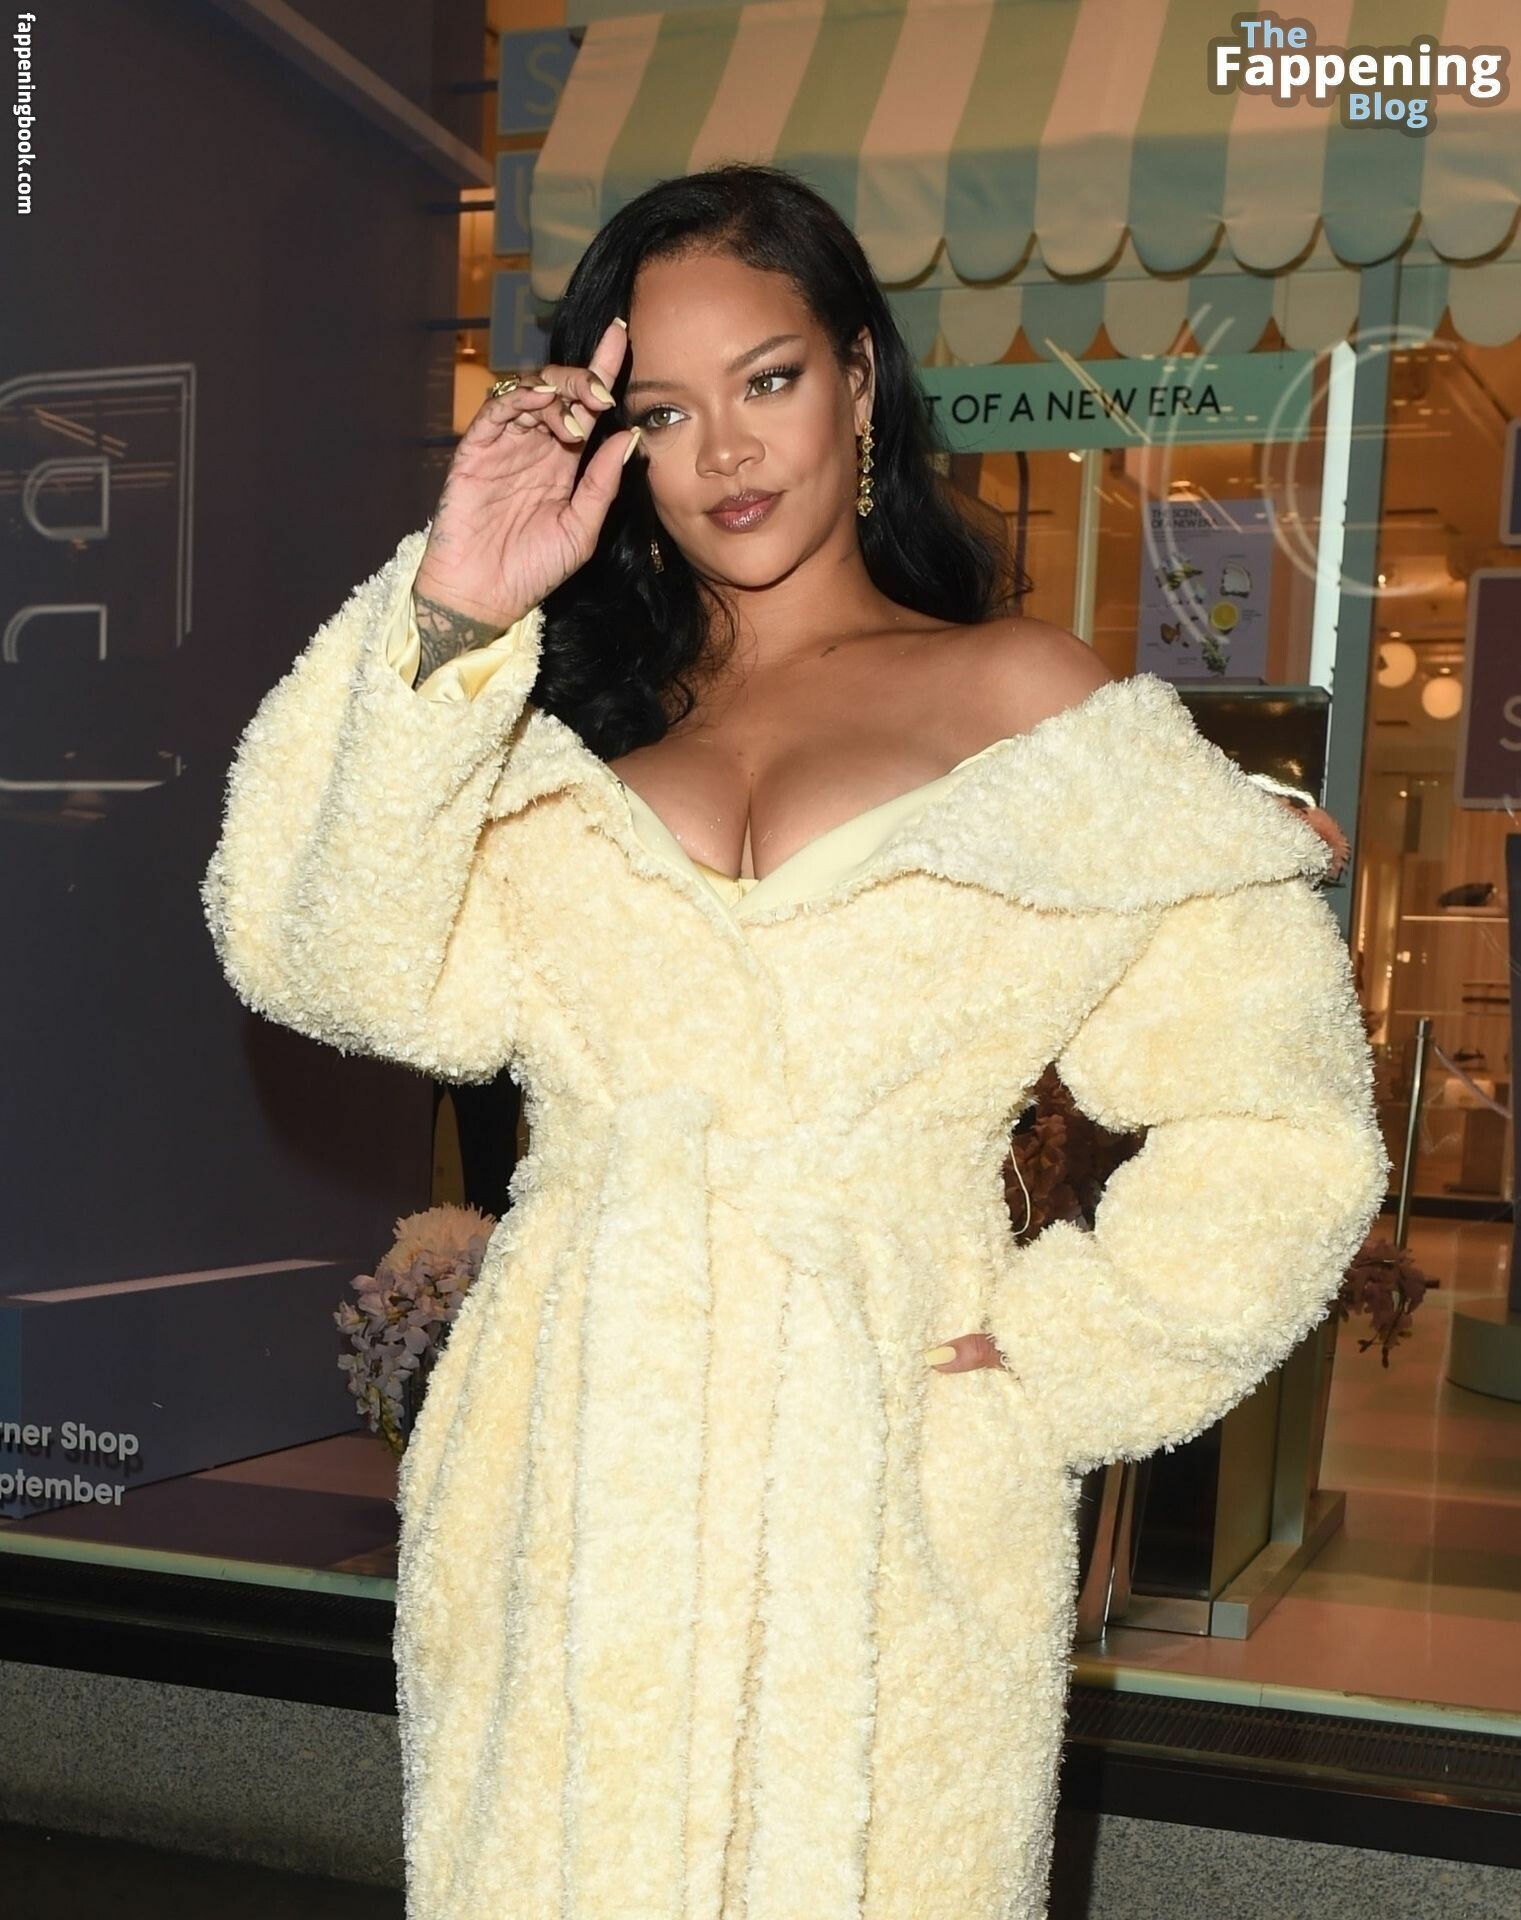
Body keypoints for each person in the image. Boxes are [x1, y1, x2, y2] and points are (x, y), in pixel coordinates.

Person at [200, 164, 1388, 1920]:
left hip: (887, 1439)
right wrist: (456, 605)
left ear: (857, 378)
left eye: (766, 379)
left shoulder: (1027, 702)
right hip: (574, 1434)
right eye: (663, 414)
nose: (727, 453)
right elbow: (324, 958)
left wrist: (1076, 1349)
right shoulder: (537, 731)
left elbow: (1277, 1114)